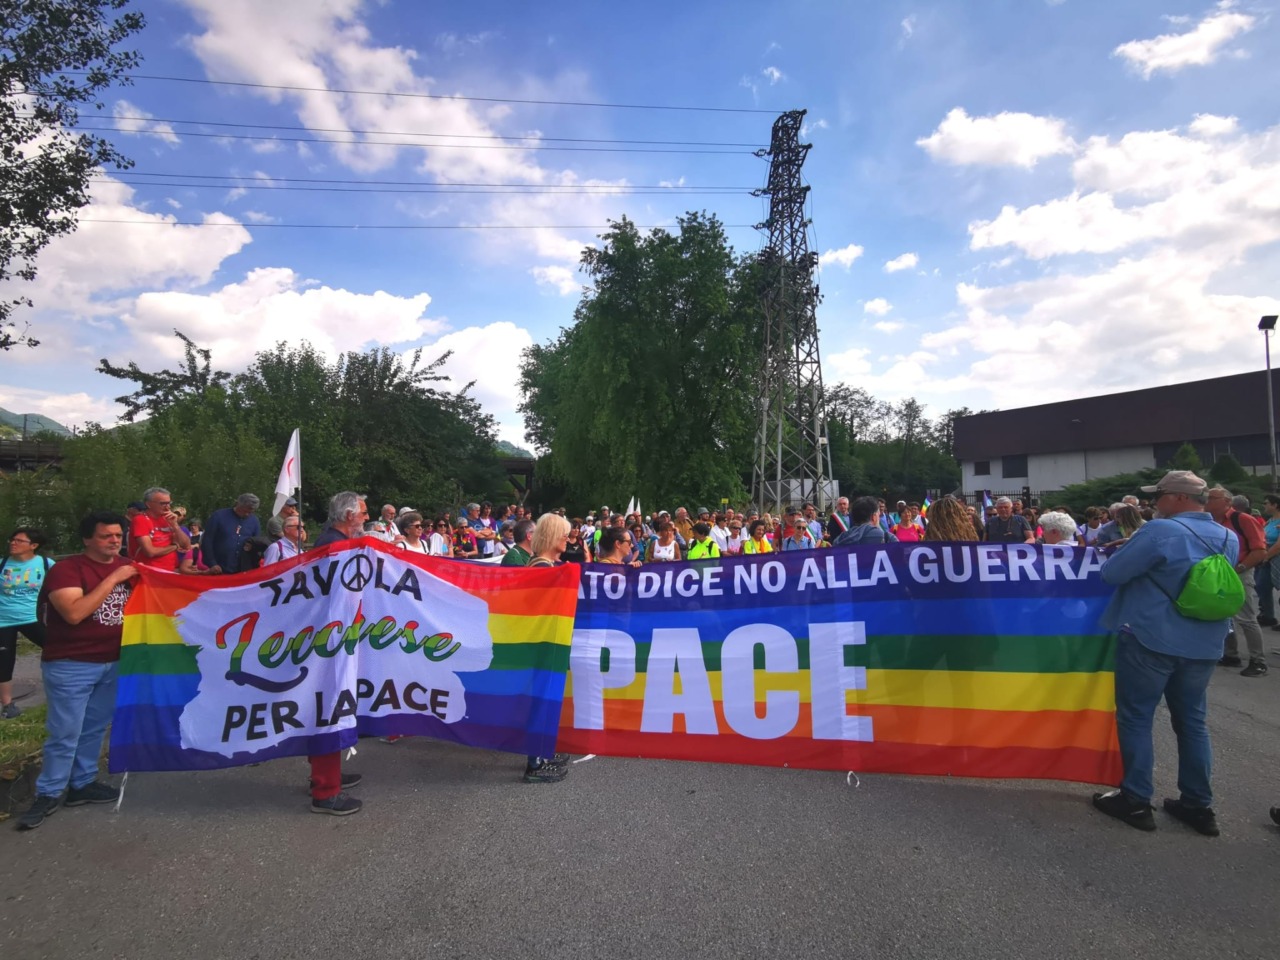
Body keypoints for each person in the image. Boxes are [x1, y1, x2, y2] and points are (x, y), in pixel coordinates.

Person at [1091, 470, 1237, 836]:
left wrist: (1131, 550)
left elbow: (1112, 574)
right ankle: (1198, 805)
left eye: (1160, 496)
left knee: (1137, 717)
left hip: (1151, 637)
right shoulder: (1227, 536)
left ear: (1179, 498)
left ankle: (1136, 799)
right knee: (1192, 723)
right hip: (1204, 643)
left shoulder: (1160, 531)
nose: (1154, 502)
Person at [17, 512, 138, 830]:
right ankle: (49, 792)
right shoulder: (67, 570)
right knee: (65, 732)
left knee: (95, 727)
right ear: (87, 539)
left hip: (114, 661)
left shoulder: (126, 566)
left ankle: (82, 784)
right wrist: (113, 578)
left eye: (118, 535)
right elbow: (73, 613)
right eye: (105, 536)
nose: (114, 540)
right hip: (72, 664)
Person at [304, 492, 368, 815]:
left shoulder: (334, 542)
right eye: (363, 514)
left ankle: (326, 776)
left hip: (337, 637)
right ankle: (326, 790)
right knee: (329, 708)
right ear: (348, 515)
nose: (366, 519)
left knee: (332, 705)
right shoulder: (334, 546)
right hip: (331, 641)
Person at [524, 513, 573, 783]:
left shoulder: (546, 564)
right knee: (540, 701)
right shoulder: (543, 566)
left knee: (545, 700)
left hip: (547, 642)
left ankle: (542, 752)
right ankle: (535, 763)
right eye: (564, 533)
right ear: (552, 536)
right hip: (543, 644)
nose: (568, 538)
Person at [1206, 485, 1268, 677]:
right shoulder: (1209, 521)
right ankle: (1230, 654)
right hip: (1218, 572)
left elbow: (1259, 550)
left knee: (1246, 617)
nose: (1206, 501)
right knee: (1223, 615)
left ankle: (1258, 661)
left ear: (1227, 501)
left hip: (1240, 571)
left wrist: (1239, 568)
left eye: (1211, 497)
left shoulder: (1242, 519)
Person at [1, 527, 54, 718]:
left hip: (34, 618)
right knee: (4, 662)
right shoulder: (3, 564)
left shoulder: (46, 564)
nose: (12, 543)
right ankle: (8, 706)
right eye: (12, 539)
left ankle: (60, 691)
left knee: (57, 650)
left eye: (18, 541)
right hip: (4, 620)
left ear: (33, 546)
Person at [129, 486, 192, 572]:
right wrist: (175, 546)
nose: (168, 507)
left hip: (169, 570)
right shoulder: (141, 520)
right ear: (148, 504)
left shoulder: (167, 519)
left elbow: (186, 546)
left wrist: (175, 525)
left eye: (169, 503)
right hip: (148, 572)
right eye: (163, 503)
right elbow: (150, 552)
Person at [202, 494, 262, 574]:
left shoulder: (254, 521)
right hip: (219, 568)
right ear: (238, 504)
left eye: (250, 512)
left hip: (243, 570)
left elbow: (257, 543)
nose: (247, 514)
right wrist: (212, 563)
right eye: (245, 511)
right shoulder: (219, 516)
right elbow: (207, 540)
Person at [1256, 494, 1280, 629]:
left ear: (1275, 505)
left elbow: (1279, 545)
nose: (1264, 505)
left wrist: (1266, 557)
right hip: (1267, 554)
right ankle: (1267, 615)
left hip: (1275, 555)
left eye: (1266, 503)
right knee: (1261, 586)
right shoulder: (1270, 521)